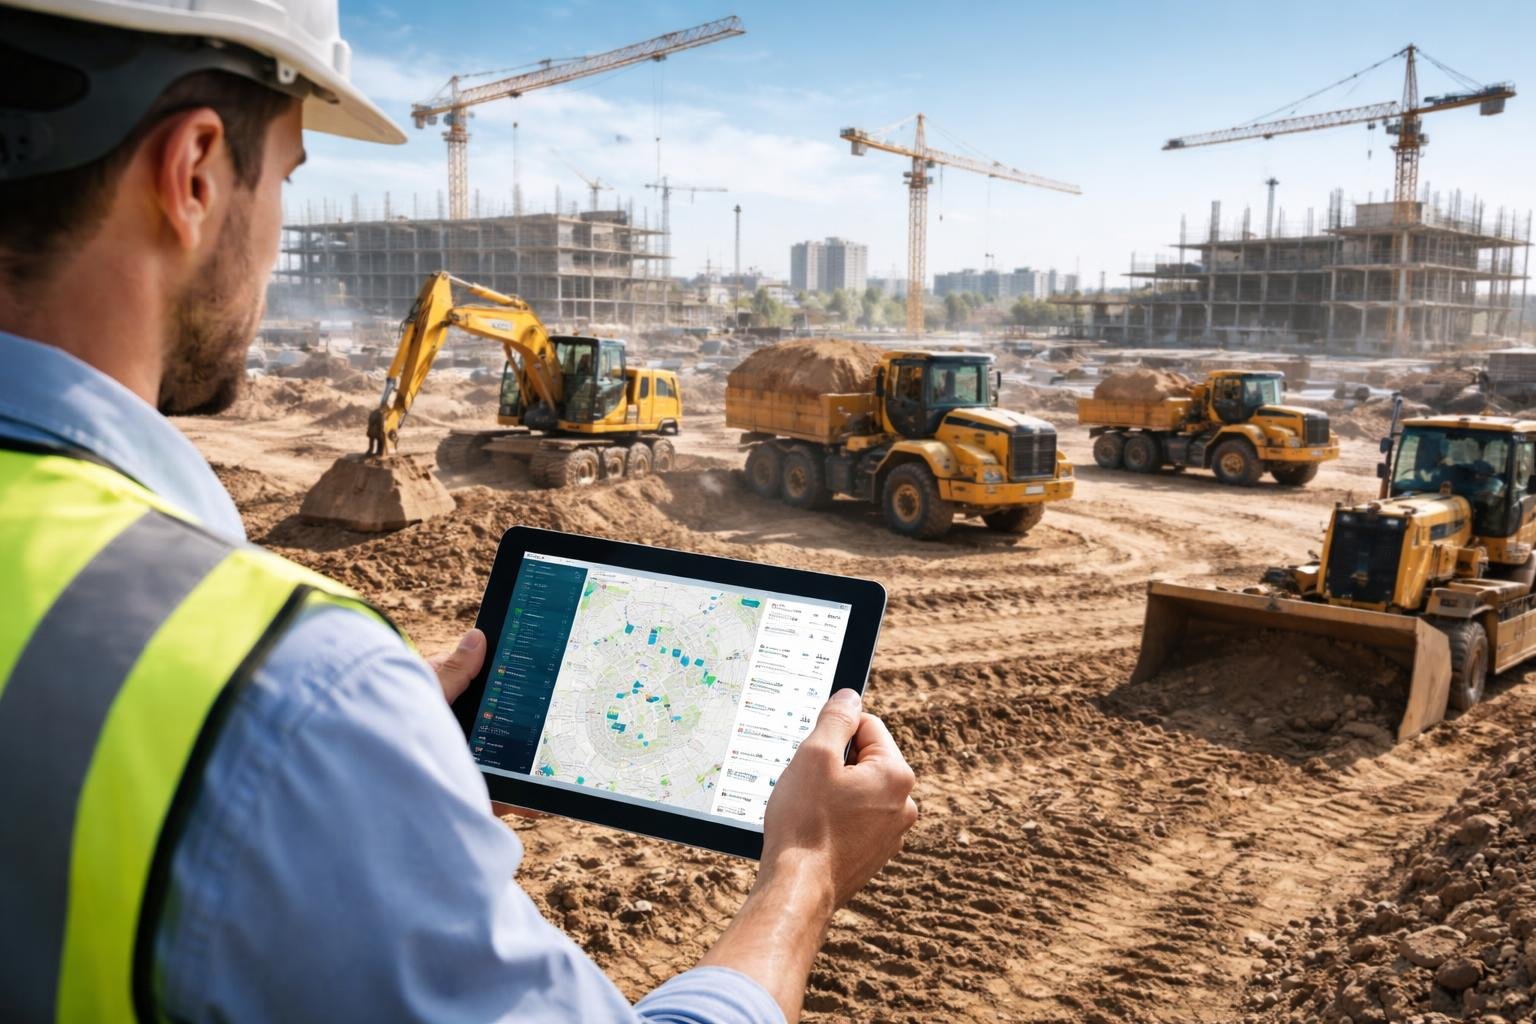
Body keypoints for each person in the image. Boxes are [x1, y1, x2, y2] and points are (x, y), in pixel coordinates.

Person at [0, 3, 919, 1022]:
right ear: (197, 173)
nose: (276, 239)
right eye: (292, 179)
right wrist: (805, 873)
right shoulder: (290, 694)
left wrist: (370, 798)